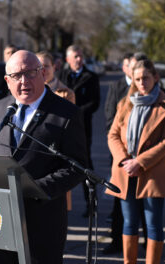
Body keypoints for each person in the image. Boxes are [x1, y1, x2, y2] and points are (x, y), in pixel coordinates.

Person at [0, 50, 87, 264]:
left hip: (43, 222)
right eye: (17, 76)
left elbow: (77, 167)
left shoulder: (66, 113)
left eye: (30, 73)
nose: (24, 81)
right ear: (7, 81)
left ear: (43, 73)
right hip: (0, 220)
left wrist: (34, 189)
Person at [106, 59, 165, 263]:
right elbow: (113, 135)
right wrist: (124, 160)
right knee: (129, 222)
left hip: (153, 171)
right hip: (126, 171)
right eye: (137, 79)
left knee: (153, 223)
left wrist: (140, 162)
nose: (142, 82)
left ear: (155, 78)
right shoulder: (125, 103)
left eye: (145, 78)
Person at [58, 45, 100, 217]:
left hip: (83, 127)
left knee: (84, 165)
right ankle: (59, 206)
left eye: (80, 56)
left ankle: (91, 204)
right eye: (75, 56)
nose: (78, 59)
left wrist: (76, 114)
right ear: (68, 59)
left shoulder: (90, 77)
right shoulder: (62, 76)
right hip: (62, 127)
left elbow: (94, 102)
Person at [36, 50, 75, 211]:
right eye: (39, 67)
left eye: (46, 66)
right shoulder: (28, 92)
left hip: (55, 154)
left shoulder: (66, 93)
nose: (43, 70)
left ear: (54, 67)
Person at [102, 52, 133, 254]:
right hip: (120, 156)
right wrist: (121, 153)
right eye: (129, 65)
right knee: (119, 200)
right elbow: (109, 119)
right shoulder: (117, 87)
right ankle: (116, 241)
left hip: (143, 159)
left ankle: (147, 244)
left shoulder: (158, 92)